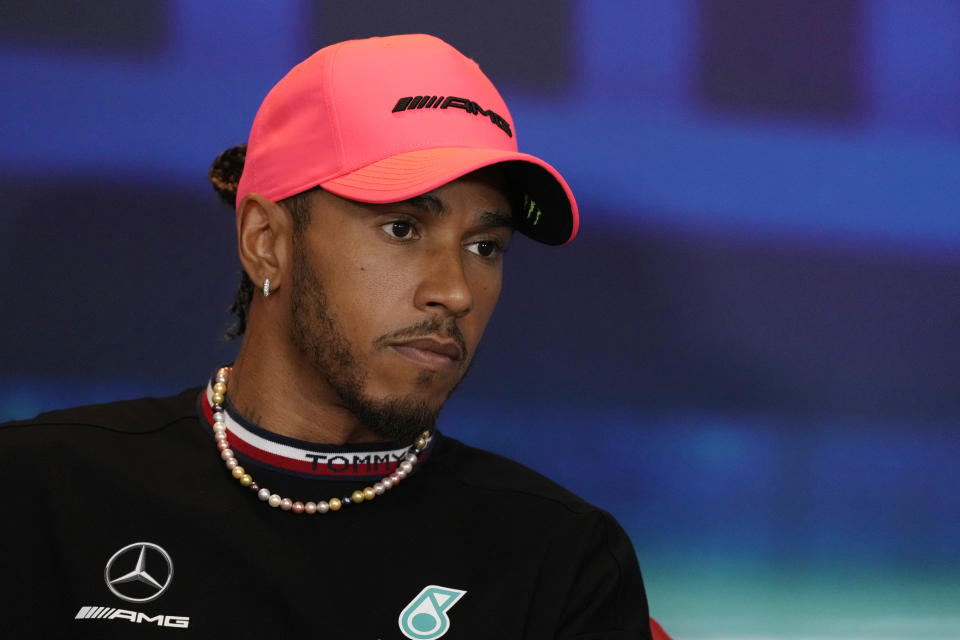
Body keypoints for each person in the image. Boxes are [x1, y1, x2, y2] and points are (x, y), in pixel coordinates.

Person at [1, 34, 664, 639]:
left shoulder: (561, 561)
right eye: (403, 229)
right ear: (266, 243)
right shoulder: (36, 495)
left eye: (485, 246)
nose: (456, 291)